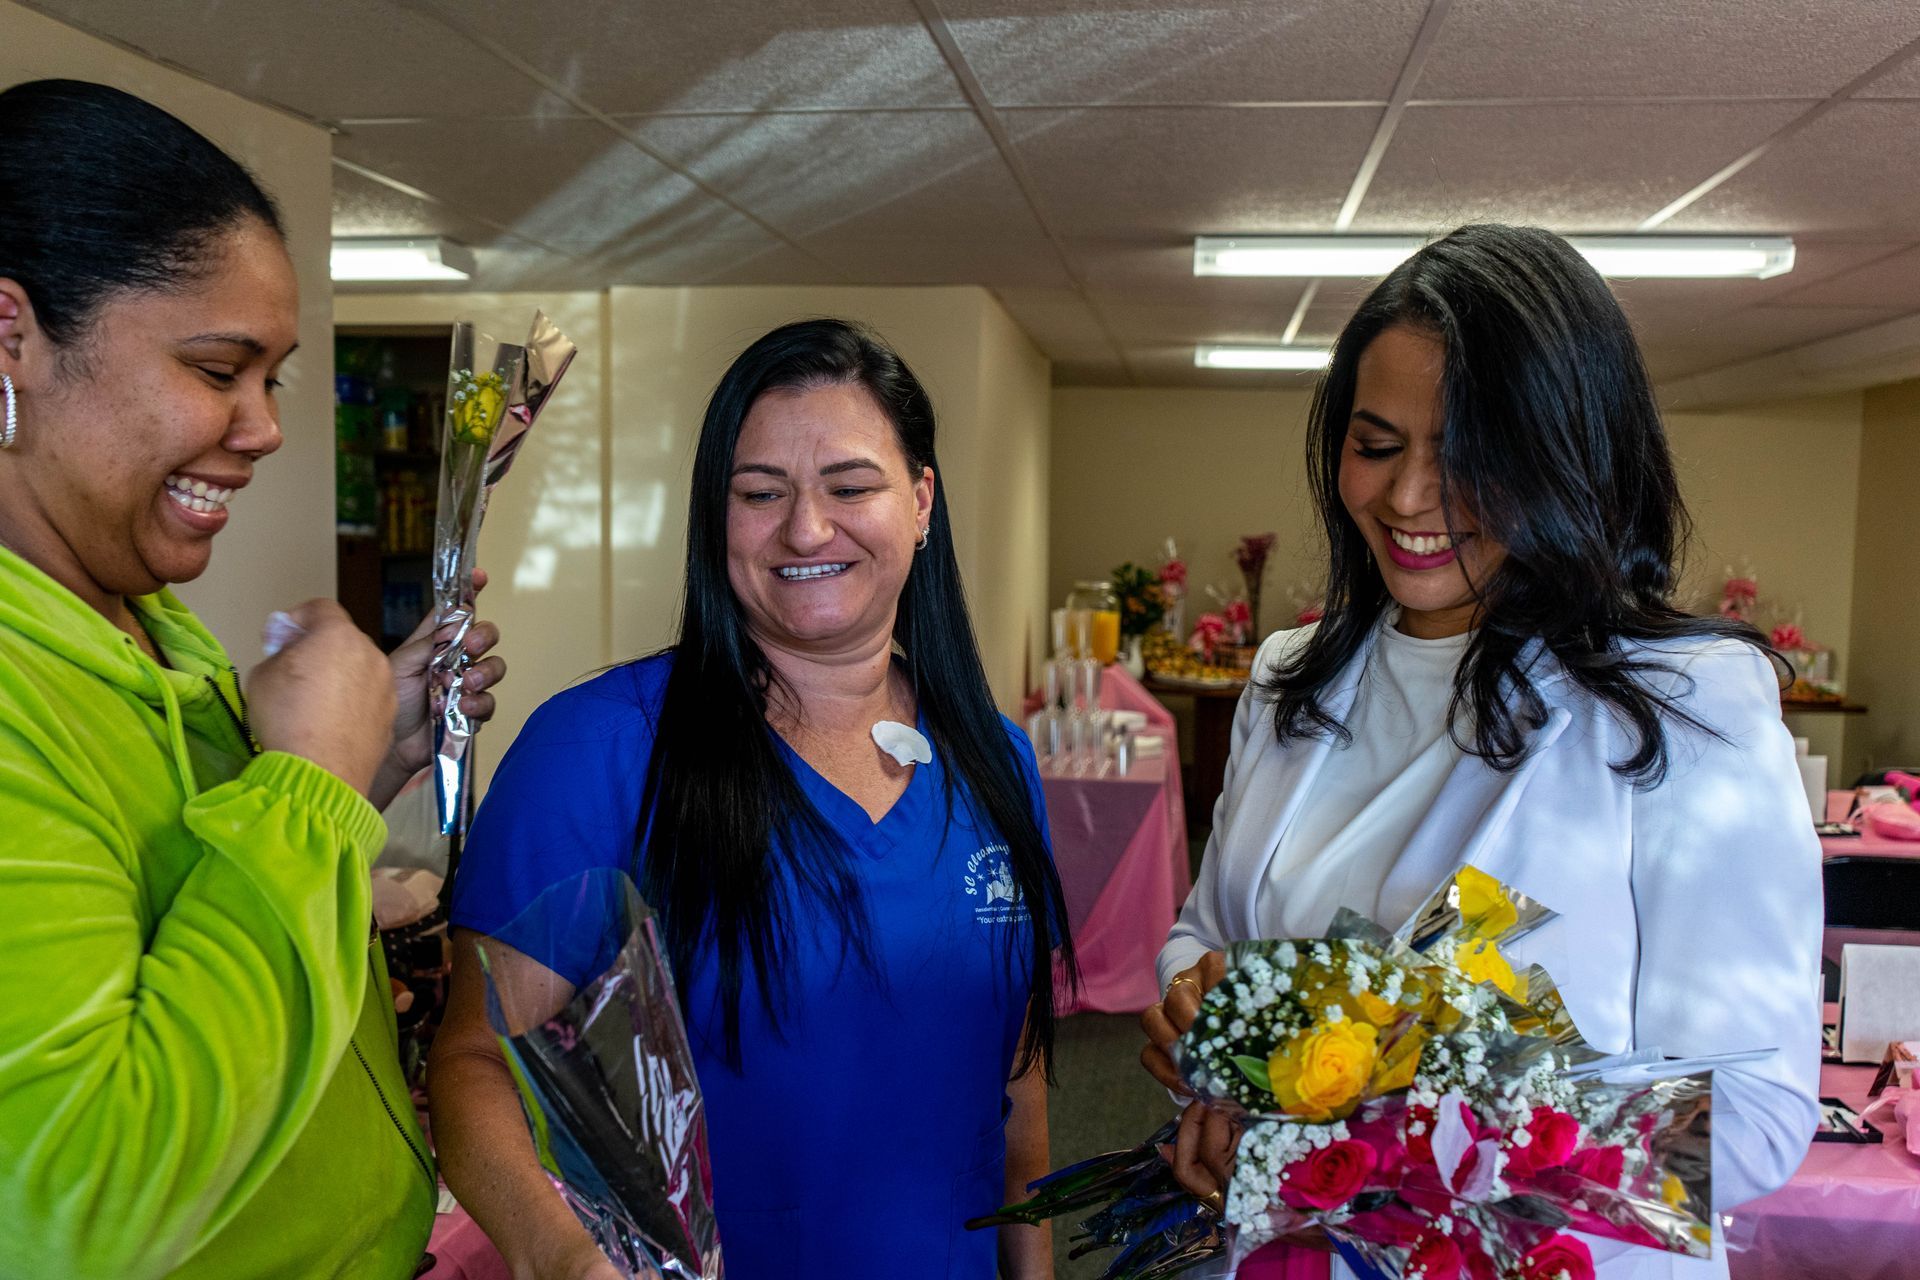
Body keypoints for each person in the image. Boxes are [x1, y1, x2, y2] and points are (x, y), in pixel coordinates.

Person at [1139, 224, 1820, 1278]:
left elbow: (1755, 1120)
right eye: (1376, 445)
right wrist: (1214, 1042)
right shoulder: (1289, 677)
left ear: (1569, 457)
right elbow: (1208, 931)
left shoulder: (1685, 703)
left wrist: (1391, 1101)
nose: (1411, 498)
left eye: (1473, 459)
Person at [430, 318, 1072, 1280]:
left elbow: (1015, 1089)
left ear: (923, 500)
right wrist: (560, 1258)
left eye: (851, 487)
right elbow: (477, 1059)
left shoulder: (995, 757)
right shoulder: (602, 747)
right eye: (759, 493)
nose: (807, 529)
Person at [0, 79, 505, 1278]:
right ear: (10, 337)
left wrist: (363, 755)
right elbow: (86, 1198)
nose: (266, 426)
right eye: (218, 366)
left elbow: (211, 926)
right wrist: (307, 781)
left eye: (269, 377)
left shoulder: (149, 627)